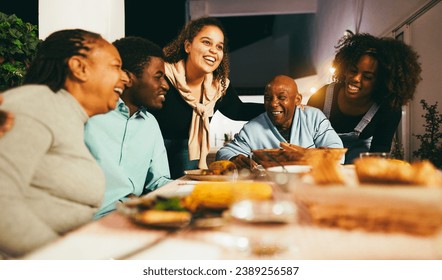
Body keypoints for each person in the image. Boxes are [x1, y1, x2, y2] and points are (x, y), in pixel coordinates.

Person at [0, 29, 128, 258]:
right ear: (79, 68)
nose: (125, 78)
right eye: (115, 66)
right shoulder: (34, 105)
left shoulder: (64, 113)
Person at [150, 17, 264, 179]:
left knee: (182, 194)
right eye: (206, 42)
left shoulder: (218, 87)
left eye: (219, 47)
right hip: (151, 147)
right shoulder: (163, 76)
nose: (213, 50)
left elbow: (238, 111)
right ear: (188, 46)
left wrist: (274, 105)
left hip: (188, 151)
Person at [84, 37, 172, 219]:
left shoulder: (150, 124)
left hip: (132, 217)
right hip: (86, 222)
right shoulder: (90, 116)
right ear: (128, 78)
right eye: (158, 77)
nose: (165, 85)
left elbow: (158, 181)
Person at [307, 33, 422, 164]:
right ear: (345, 69)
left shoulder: (388, 109)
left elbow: (379, 154)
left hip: (359, 170)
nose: (356, 78)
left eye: (367, 77)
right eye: (353, 70)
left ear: (381, 82)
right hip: (322, 167)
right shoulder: (320, 98)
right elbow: (305, 143)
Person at [216, 75, 344, 168]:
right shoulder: (252, 128)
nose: (273, 104)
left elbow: (337, 152)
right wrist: (233, 158)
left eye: (282, 97)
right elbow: (223, 153)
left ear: (297, 100)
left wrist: (306, 155)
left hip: (311, 184)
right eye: (268, 98)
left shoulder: (314, 117)